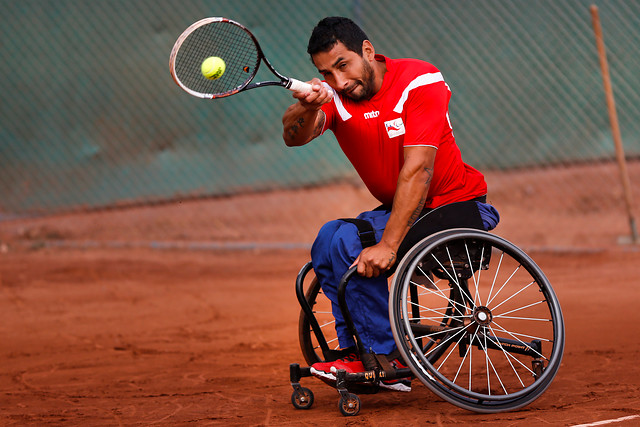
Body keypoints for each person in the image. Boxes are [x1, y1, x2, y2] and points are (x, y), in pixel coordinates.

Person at [282, 17, 499, 392]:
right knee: (330, 237)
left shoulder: (419, 80)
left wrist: (388, 245)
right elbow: (293, 137)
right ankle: (356, 352)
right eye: (325, 73)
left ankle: (384, 357)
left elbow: (418, 171)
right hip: (404, 210)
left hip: (454, 207)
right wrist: (305, 106)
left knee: (353, 242)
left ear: (367, 51)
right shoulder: (336, 96)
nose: (338, 82)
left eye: (342, 65)